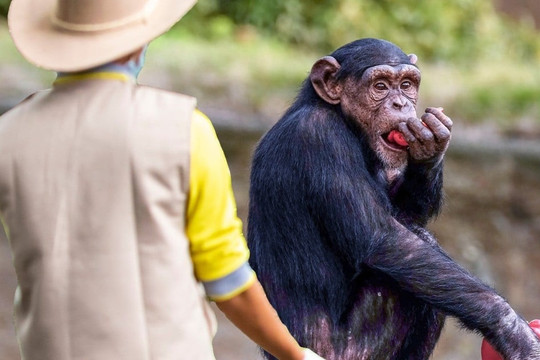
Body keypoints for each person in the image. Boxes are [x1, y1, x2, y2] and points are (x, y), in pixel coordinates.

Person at [0, 0, 324, 359]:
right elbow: (227, 280)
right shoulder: (184, 129)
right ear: (139, 41)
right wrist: (295, 355)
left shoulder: (9, 133)